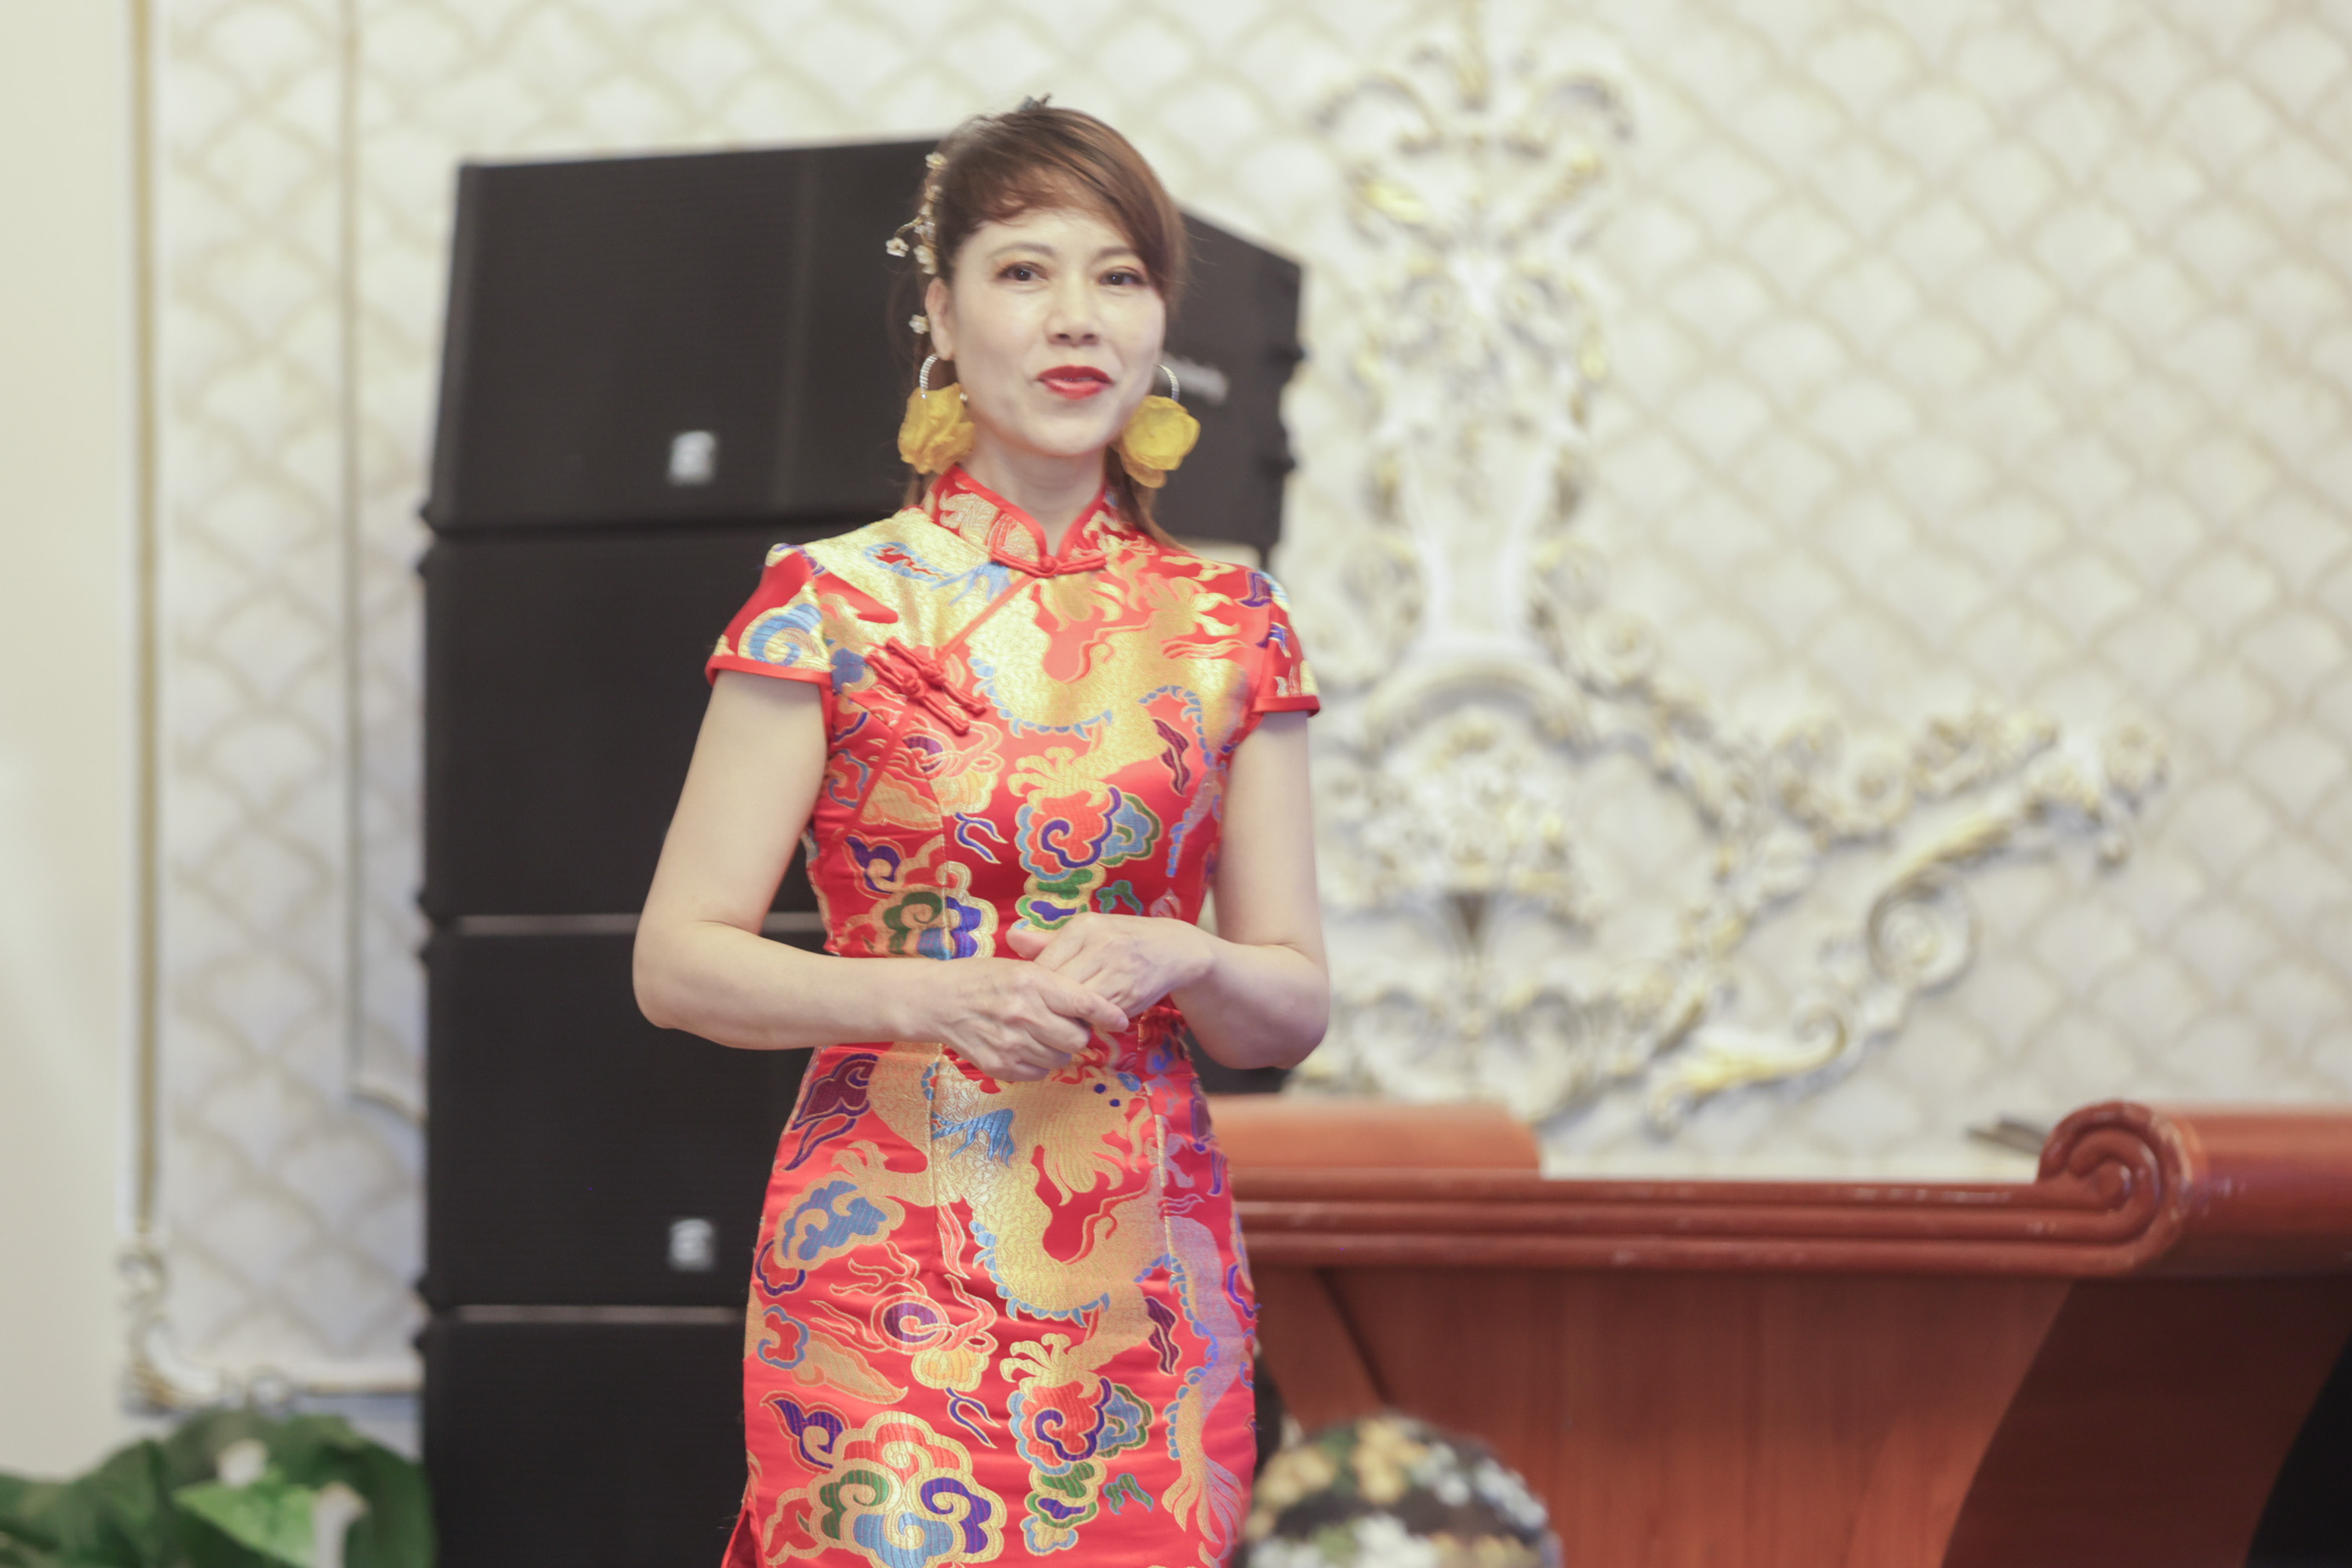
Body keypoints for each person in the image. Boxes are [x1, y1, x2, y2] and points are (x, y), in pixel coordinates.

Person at [633, 101, 1328, 1568]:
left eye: (1120, 276)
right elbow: (678, 964)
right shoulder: (831, 603)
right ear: (943, 317)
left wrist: (1188, 956)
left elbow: (1288, 1008)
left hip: (1149, 1278)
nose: (1078, 316)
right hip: (884, 1267)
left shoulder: (1234, 623)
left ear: (1160, 325)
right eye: (1025, 271)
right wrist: (934, 998)